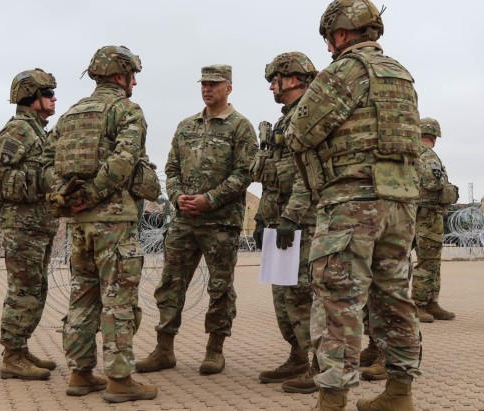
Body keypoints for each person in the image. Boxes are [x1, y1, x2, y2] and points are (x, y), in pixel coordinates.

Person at [285, 0, 422, 410]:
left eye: (330, 37)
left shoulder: (345, 70)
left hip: (352, 203)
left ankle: (332, 399)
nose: (329, 45)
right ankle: (399, 394)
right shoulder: (401, 74)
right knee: (395, 298)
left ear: (341, 33)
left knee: (339, 302)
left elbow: (299, 132)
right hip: (400, 202)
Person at [42, 45, 157, 402]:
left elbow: (45, 159)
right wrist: (92, 194)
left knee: (83, 297)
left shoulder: (71, 114)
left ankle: (80, 373)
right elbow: (125, 159)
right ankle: (120, 379)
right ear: (121, 76)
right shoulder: (126, 110)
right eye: (132, 75)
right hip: (114, 223)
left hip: (78, 223)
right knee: (118, 302)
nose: (134, 82)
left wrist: (64, 193)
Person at [136, 64, 258, 376]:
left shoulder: (240, 127)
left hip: (220, 224)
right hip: (184, 222)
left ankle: (215, 350)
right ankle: (164, 349)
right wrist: (176, 197)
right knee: (170, 285)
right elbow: (171, 166)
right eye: (204, 83)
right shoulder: (186, 125)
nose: (208, 89)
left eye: (214, 84)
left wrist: (210, 199)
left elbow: (244, 173)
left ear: (228, 87)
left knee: (220, 288)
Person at [249, 52, 320, 393]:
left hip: (303, 221)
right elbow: (272, 179)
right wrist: (264, 218)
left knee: (304, 294)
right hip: (281, 219)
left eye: (275, 81)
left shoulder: (310, 117)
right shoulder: (284, 120)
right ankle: (297, 355)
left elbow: (308, 176)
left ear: (292, 79)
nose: (271, 88)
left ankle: (320, 364)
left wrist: (291, 217)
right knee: (283, 295)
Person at [0, 68, 60, 381]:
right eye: (48, 94)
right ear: (32, 98)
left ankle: (20, 347)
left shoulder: (36, 130)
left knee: (36, 288)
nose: (54, 99)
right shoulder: (19, 130)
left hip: (39, 224)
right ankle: (12, 355)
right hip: (23, 226)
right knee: (23, 289)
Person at [412, 117, 458, 322]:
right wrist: (451, 191)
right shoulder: (428, 156)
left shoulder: (414, 154)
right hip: (428, 214)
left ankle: (431, 302)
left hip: (418, 213)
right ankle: (419, 304)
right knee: (428, 262)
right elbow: (432, 183)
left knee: (432, 261)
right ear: (434, 136)